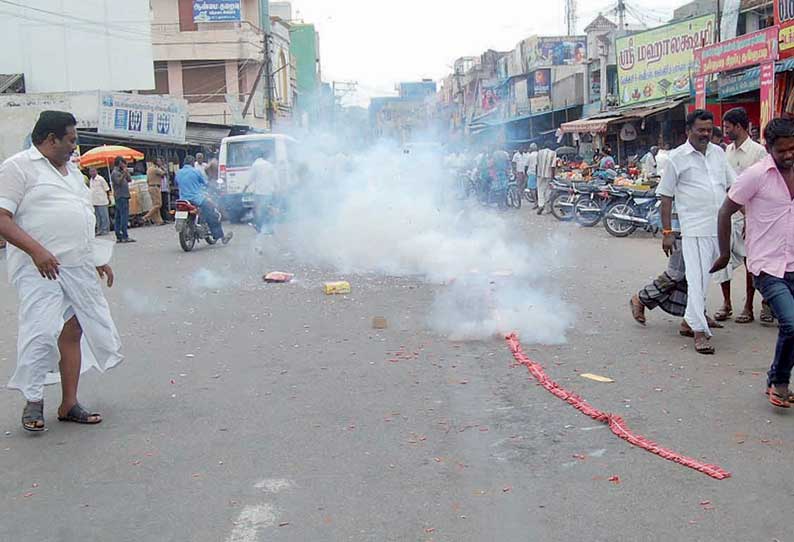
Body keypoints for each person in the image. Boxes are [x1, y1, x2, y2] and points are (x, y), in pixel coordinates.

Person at [0, 110, 123, 431]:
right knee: (40, 332)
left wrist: (97, 257)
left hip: (77, 267)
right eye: (70, 140)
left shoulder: (72, 173)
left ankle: (69, 403)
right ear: (50, 138)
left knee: (74, 330)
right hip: (39, 268)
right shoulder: (17, 168)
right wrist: (37, 251)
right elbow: (1, 218)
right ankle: (33, 400)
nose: (74, 146)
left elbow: (81, 217)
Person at [712, 117, 794, 407]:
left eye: (792, 148)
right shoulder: (756, 175)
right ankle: (780, 381)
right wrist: (724, 253)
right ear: (769, 147)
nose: (788, 155)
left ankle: (774, 376)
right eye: (782, 150)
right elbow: (725, 211)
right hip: (766, 264)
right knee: (791, 323)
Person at [657, 109, 735, 355]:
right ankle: (699, 331)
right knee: (696, 278)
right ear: (688, 131)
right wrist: (667, 231)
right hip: (694, 228)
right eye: (700, 130)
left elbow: (734, 186)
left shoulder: (719, 154)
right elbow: (666, 196)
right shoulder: (676, 158)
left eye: (709, 130)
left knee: (708, 276)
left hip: (720, 227)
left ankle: (689, 320)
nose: (705, 134)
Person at [715, 107, 770, 325]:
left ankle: (750, 306)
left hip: (751, 215)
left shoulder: (758, 152)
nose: (725, 130)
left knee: (752, 262)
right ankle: (726, 303)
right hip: (728, 215)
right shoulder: (726, 151)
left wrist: (751, 216)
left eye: (728, 127)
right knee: (723, 259)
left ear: (739, 126)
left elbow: (764, 187)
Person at [176, 155, 233, 245]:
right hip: (196, 198)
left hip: (183, 200)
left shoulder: (178, 173)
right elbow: (205, 183)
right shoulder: (196, 172)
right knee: (211, 213)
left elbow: (177, 184)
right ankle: (221, 236)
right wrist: (215, 189)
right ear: (192, 163)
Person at [249, 151, 278, 234]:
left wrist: (246, 187)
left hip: (258, 192)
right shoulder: (270, 165)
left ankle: (259, 226)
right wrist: (276, 188)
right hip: (268, 192)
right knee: (267, 209)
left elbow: (251, 178)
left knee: (259, 210)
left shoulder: (255, 164)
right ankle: (268, 228)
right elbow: (274, 178)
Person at [110, 157, 135, 243]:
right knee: (123, 216)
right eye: (123, 163)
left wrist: (126, 172)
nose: (124, 165)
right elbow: (119, 182)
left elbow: (129, 180)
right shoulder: (115, 173)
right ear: (119, 163)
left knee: (119, 216)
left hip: (124, 195)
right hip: (120, 196)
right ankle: (124, 235)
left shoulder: (121, 171)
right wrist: (124, 173)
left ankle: (120, 235)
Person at [143, 159, 166, 226]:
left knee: (155, 204)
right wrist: (162, 167)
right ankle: (146, 217)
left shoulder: (149, 169)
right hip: (155, 187)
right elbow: (164, 173)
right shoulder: (155, 169)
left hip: (151, 186)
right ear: (156, 162)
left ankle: (158, 220)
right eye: (160, 161)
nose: (161, 162)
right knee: (158, 204)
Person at [88, 167, 111, 235]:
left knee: (104, 216)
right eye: (91, 171)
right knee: (97, 217)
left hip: (102, 200)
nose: (92, 173)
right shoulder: (91, 180)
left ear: (96, 171)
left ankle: (105, 229)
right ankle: (99, 230)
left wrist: (109, 198)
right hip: (94, 201)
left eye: (93, 171)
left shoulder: (100, 179)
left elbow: (107, 189)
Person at [536, 144, 557, 215]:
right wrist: (553, 176)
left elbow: (537, 164)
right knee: (548, 191)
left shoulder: (539, 152)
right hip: (548, 174)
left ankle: (541, 205)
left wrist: (537, 173)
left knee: (540, 190)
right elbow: (553, 166)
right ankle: (547, 208)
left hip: (540, 174)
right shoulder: (553, 153)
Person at [525, 143, 539, 207]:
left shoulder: (530, 156)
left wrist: (525, 173)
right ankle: (540, 201)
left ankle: (535, 202)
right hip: (539, 174)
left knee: (532, 188)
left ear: (531, 148)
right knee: (538, 188)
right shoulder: (539, 154)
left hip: (532, 173)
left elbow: (526, 166)